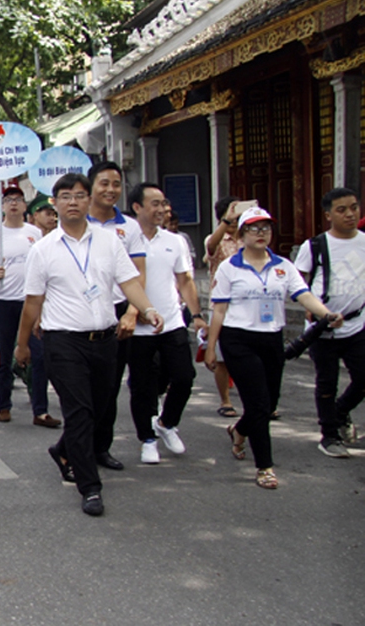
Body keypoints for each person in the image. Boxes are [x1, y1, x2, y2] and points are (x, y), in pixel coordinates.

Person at [15, 173, 163, 516]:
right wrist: (21, 346)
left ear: (88, 200)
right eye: (65, 196)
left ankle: (63, 449)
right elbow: (32, 303)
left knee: (99, 409)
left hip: (105, 339)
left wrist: (147, 308)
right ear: (54, 204)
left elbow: (129, 282)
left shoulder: (109, 242)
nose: (73, 202)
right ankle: (90, 487)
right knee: (79, 412)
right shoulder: (42, 250)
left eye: (79, 196)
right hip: (62, 341)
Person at [205, 206, 341, 489]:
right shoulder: (230, 267)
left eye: (266, 228)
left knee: (268, 404)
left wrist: (326, 314)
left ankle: (239, 431)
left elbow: (303, 295)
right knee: (258, 402)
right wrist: (211, 347)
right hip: (238, 339)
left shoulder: (282, 266)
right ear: (242, 234)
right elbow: (219, 311)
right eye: (254, 228)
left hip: (271, 338)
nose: (261, 233)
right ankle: (264, 466)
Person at [124, 184, 203, 464]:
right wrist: (132, 311)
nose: (161, 209)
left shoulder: (175, 240)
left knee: (184, 377)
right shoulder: (123, 240)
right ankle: (147, 438)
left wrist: (196, 315)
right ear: (137, 207)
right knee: (143, 386)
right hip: (138, 326)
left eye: (163, 203)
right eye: (154, 204)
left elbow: (185, 281)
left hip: (171, 322)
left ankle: (166, 423)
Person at [293, 188, 364, 458]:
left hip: (358, 323)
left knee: (363, 377)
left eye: (354, 207)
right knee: (327, 382)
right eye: (342, 209)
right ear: (328, 215)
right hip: (323, 328)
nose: (350, 214)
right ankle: (329, 435)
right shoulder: (316, 246)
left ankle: (340, 411)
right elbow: (297, 283)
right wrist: (315, 311)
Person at [85, 161, 147, 471]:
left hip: (118, 310)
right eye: (104, 183)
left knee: (109, 385)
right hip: (81, 311)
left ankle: (100, 448)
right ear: (90, 186)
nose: (111, 190)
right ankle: (77, 447)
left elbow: (138, 274)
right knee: (83, 387)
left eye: (116, 184)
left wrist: (133, 312)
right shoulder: (74, 221)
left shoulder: (130, 227)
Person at [0, 186, 57, 428]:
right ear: (2, 206)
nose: (13, 204)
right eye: (8, 200)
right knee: (3, 356)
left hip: (31, 302)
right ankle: (3, 405)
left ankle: (41, 410)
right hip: (3, 301)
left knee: (38, 356)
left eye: (17, 200)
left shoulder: (35, 234)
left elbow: (45, 268)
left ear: (25, 206)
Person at [203, 196, 243, 418]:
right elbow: (210, 246)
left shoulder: (249, 239)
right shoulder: (217, 238)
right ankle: (225, 400)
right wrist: (227, 222)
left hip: (247, 305)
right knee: (221, 357)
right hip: (220, 305)